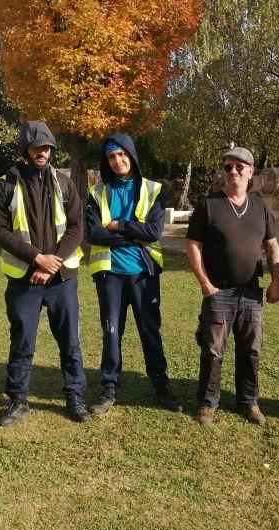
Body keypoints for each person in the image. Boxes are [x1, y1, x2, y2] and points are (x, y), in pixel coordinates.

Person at [0, 120, 91, 424]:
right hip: (24, 279)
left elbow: (77, 227)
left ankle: (75, 396)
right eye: (37, 147)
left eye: (47, 147)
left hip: (61, 279)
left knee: (69, 341)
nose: (43, 152)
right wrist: (37, 259)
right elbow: (1, 231)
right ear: (26, 149)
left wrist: (53, 263)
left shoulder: (64, 182)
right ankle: (18, 400)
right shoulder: (4, 184)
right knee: (22, 340)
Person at [85, 133, 182, 415]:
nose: (117, 160)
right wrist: (131, 234)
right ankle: (109, 388)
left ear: (131, 155)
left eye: (121, 154)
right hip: (110, 273)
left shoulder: (153, 190)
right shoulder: (97, 192)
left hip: (143, 273)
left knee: (149, 330)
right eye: (111, 156)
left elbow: (153, 232)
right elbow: (94, 234)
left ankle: (161, 386)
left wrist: (118, 225)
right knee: (111, 331)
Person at [185, 147, 279, 426]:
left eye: (240, 167)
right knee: (213, 350)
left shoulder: (261, 207)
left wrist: (276, 282)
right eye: (228, 167)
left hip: (251, 292)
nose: (233, 172)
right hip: (219, 292)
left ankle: (249, 402)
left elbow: (272, 245)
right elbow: (192, 245)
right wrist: (205, 283)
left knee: (251, 350)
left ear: (251, 172)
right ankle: (207, 404)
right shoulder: (209, 205)